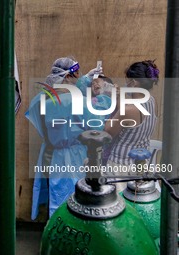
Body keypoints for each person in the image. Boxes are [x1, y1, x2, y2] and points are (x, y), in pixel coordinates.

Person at [26, 56, 107, 219]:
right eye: (78, 73)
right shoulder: (78, 101)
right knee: (72, 202)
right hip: (73, 157)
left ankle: (55, 234)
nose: (81, 76)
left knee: (55, 198)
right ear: (69, 76)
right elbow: (98, 124)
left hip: (51, 154)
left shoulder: (45, 96)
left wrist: (85, 80)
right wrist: (102, 97)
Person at [104, 60, 159, 191]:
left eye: (127, 81)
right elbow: (127, 117)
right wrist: (118, 97)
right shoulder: (152, 101)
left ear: (133, 83)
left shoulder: (129, 110)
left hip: (120, 168)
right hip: (140, 165)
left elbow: (107, 132)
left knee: (120, 207)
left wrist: (111, 101)